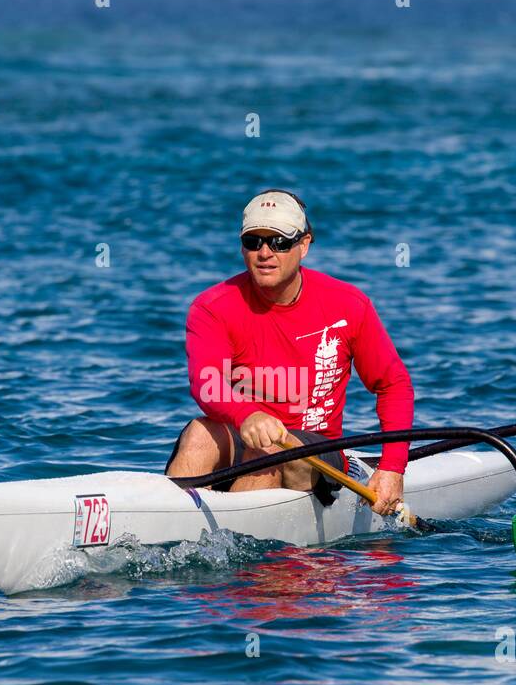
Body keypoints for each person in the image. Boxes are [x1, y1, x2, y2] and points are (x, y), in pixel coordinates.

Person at [165, 189, 414, 515]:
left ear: (304, 245)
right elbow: (206, 383)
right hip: (243, 432)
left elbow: (393, 385)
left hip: (315, 449)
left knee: (265, 450)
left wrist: (393, 467)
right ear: (243, 247)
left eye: (279, 242)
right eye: (254, 241)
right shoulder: (211, 307)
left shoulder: (348, 305)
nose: (265, 252)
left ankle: (239, 554)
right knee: (200, 432)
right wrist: (246, 415)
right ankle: (168, 527)